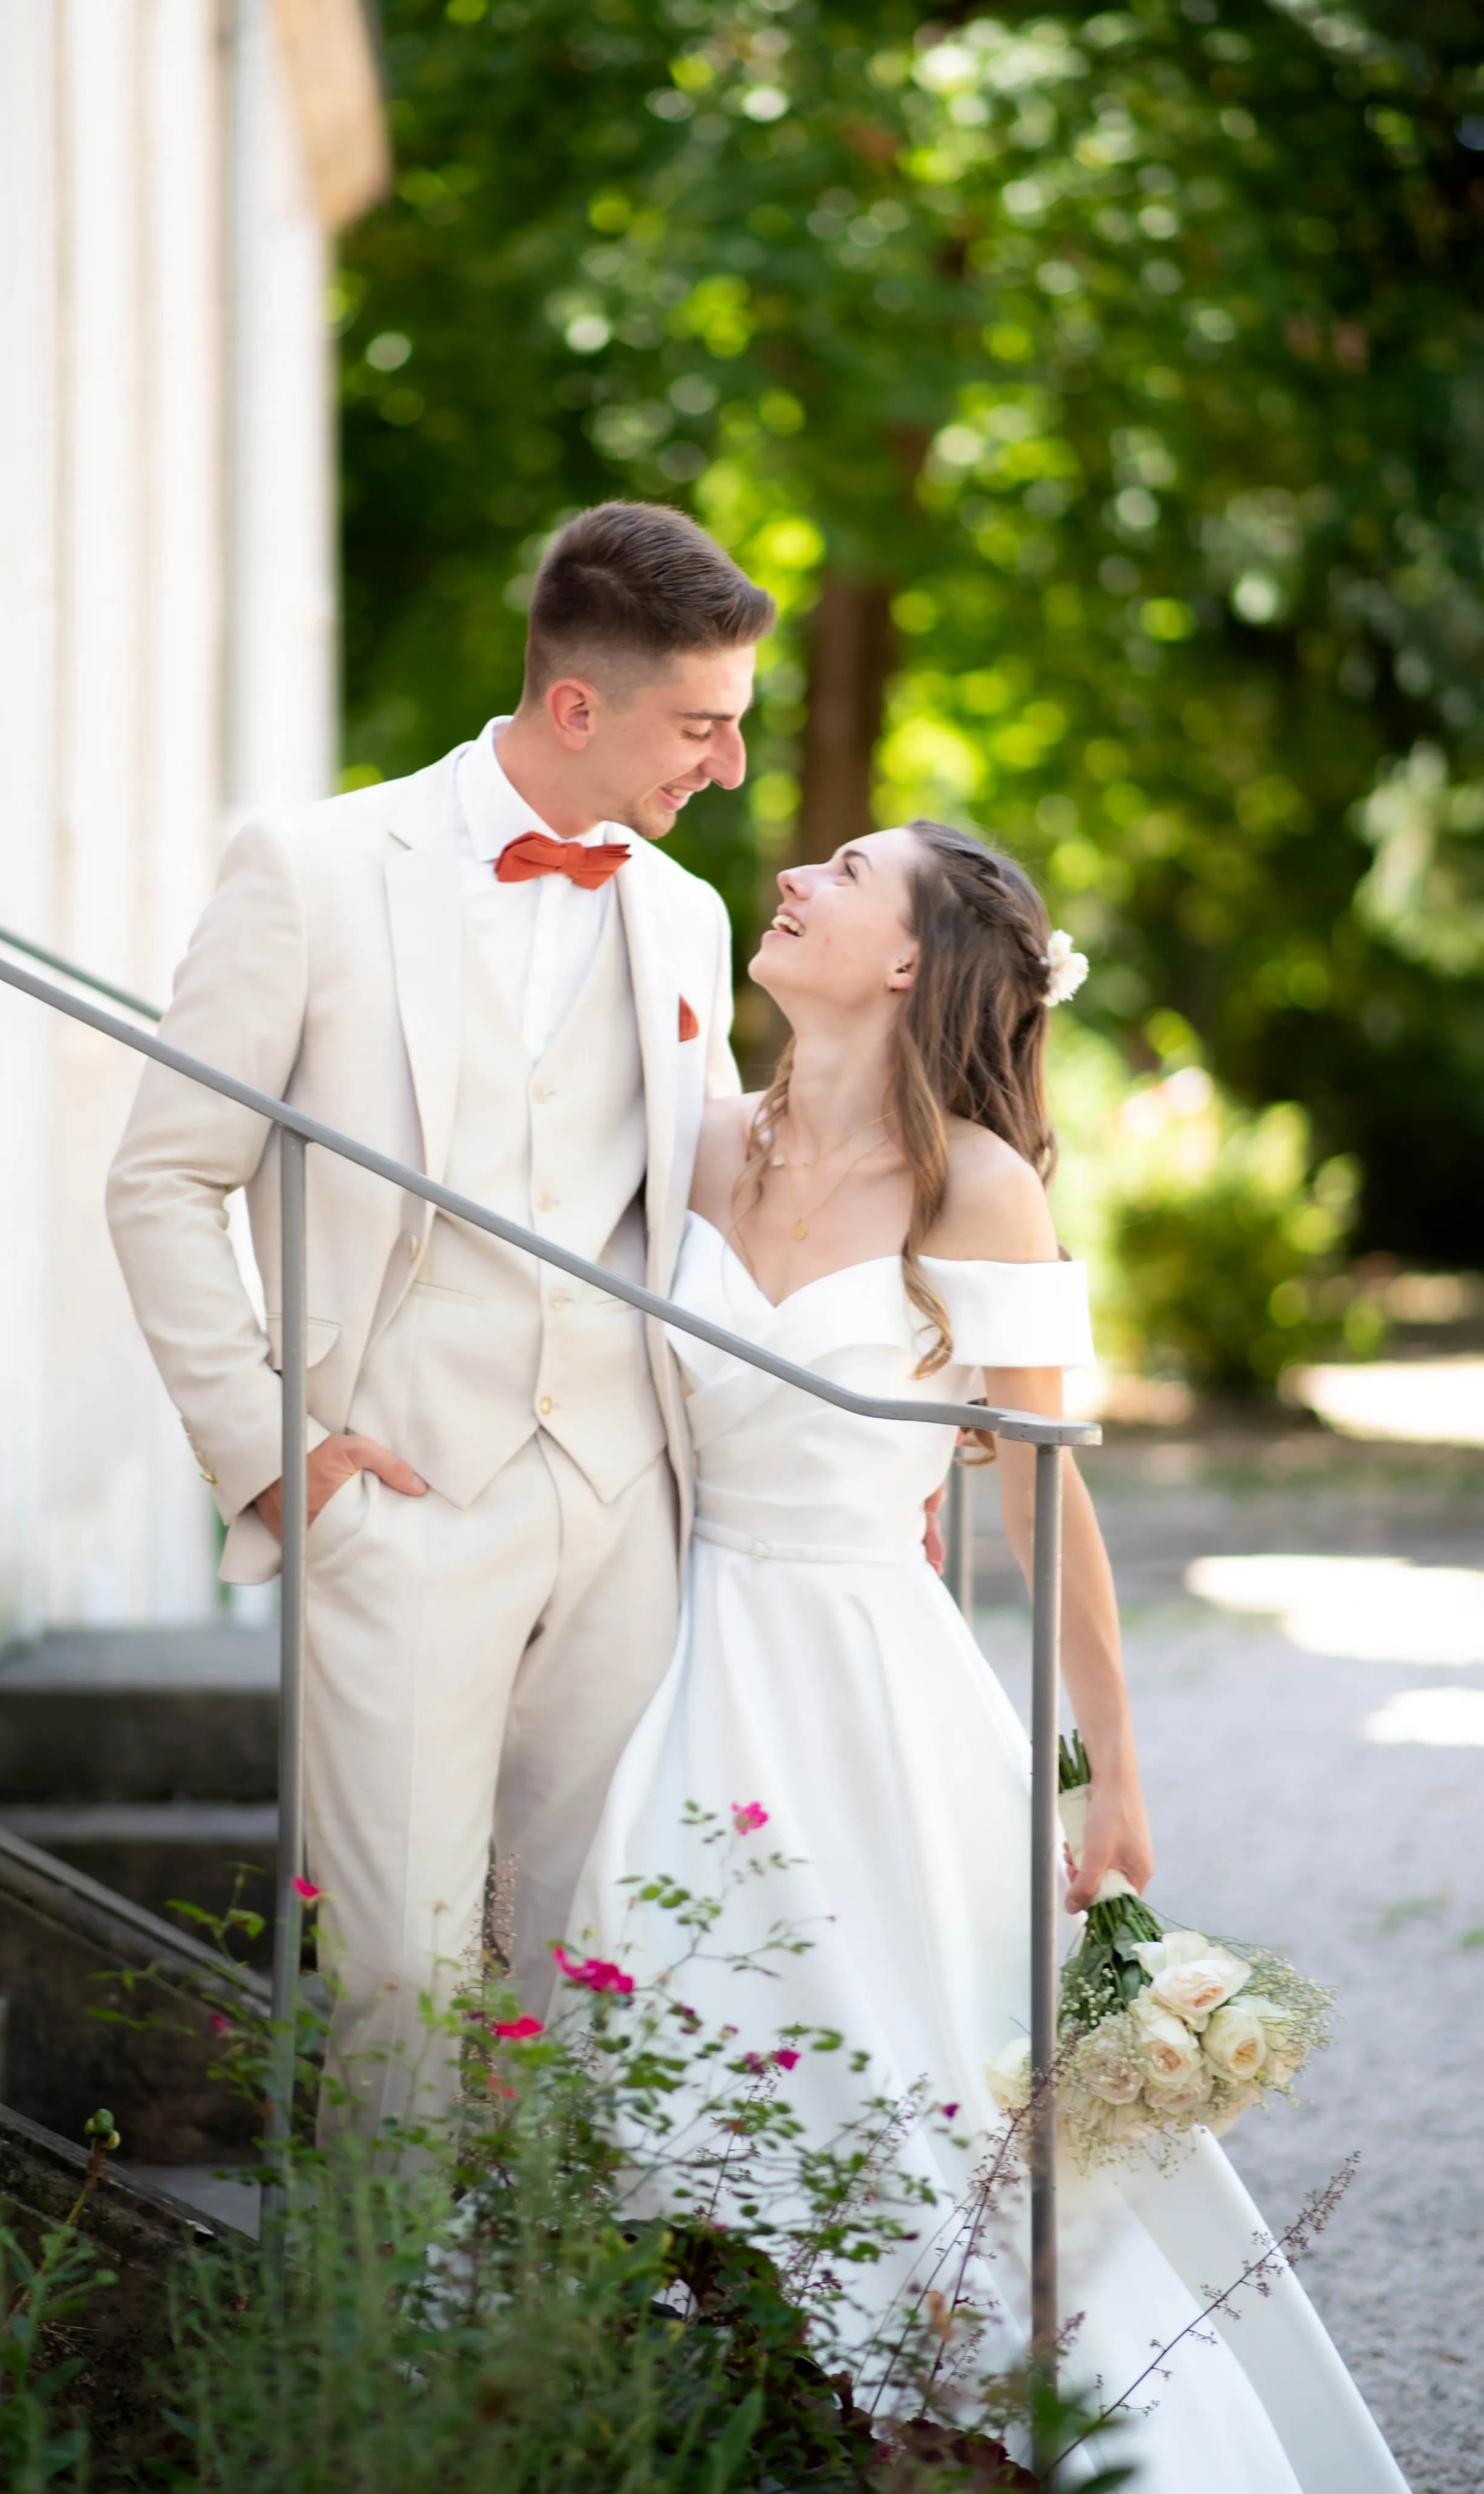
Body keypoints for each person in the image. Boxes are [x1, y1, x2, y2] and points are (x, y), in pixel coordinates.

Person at [572, 819, 1410, 2492]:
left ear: (908, 961)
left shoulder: (978, 1183)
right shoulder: (694, 1138)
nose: (795, 874)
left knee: (916, 2091)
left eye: (846, 871)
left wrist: (1113, 1776)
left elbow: (1049, 1501)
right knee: (679, 2032)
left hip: (878, 1696)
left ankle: (964, 2440)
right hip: (680, 1658)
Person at [106, 501, 774, 2130]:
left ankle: (548, 2357)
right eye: (703, 726)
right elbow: (162, 1180)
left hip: (623, 1500)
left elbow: (719, 1199)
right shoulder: (315, 869)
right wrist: (273, 1455)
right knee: (402, 1977)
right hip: (397, 1492)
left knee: (589, 1963)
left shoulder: (681, 915)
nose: (732, 767)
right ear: (576, 707)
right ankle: (384, 2362)